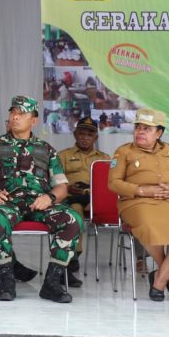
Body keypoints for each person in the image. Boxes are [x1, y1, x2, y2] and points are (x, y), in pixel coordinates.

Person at [0, 95, 81, 304]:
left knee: (72, 219)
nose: (15, 117)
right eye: (13, 112)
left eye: (21, 114)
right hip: (7, 204)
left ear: (33, 120)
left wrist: (49, 197)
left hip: (40, 204)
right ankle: (7, 281)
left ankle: (52, 282)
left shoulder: (46, 149)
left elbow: (62, 187)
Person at [108, 109, 169, 301]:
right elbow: (113, 183)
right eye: (138, 127)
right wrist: (141, 190)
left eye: (146, 129)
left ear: (159, 133)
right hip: (137, 201)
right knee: (148, 224)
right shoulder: (123, 152)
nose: (140, 132)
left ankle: (159, 278)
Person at [56, 116, 109, 286]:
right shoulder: (62, 156)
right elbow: (54, 181)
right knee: (76, 209)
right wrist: (68, 188)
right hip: (73, 197)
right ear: (75, 135)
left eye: (89, 135)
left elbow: (111, 182)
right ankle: (73, 257)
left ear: (96, 138)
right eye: (82, 134)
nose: (85, 138)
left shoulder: (105, 158)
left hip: (96, 198)